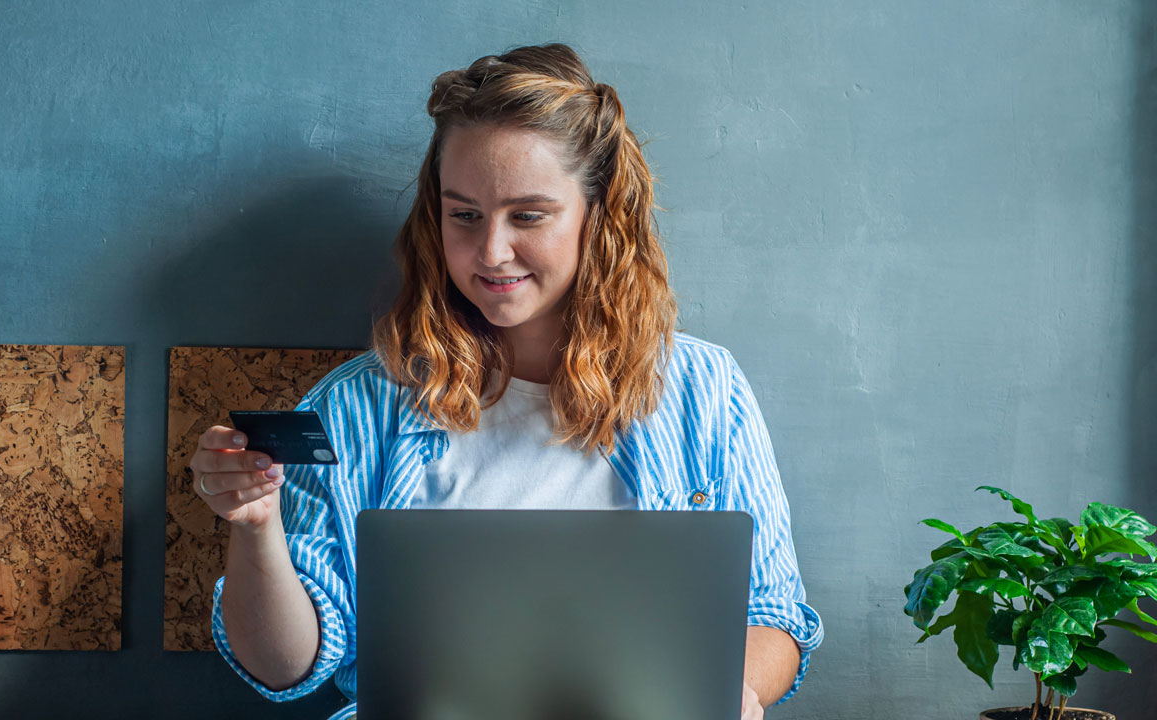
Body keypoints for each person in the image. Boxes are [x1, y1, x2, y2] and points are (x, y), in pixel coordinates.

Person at [187, 43, 823, 720]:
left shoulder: (705, 391)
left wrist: (730, 692)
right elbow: (284, 667)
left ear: (597, 217)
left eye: (528, 216)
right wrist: (256, 527)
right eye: (464, 215)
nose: (490, 251)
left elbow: (774, 618)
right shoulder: (357, 408)